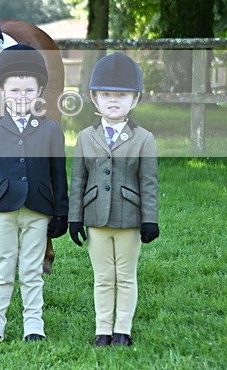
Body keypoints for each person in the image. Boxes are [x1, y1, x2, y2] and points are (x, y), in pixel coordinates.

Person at [0, 44, 68, 345]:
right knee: (1, 267)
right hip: (3, 210)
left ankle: (33, 326)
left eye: (28, 90)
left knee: (31, 269)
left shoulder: (51, 130)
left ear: (39, 92)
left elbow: (58, 175)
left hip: (38, 209)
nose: (21, 97)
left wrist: (61, 211)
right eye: (14, 90)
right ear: (1, 92)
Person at [68, 52, 159, 347]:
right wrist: (74, 217)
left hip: (129, 218)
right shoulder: (84, 137)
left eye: (121, 95)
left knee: (126, 276)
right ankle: (102, 330)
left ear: (135, 100)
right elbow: (78, 180)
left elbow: (148, 183)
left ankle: (123, 330)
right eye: (106, 95)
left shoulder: (144, 139)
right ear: (95, 99)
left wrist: (150, 219)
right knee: (103, 277)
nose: (113, 101)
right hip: (95, 217)